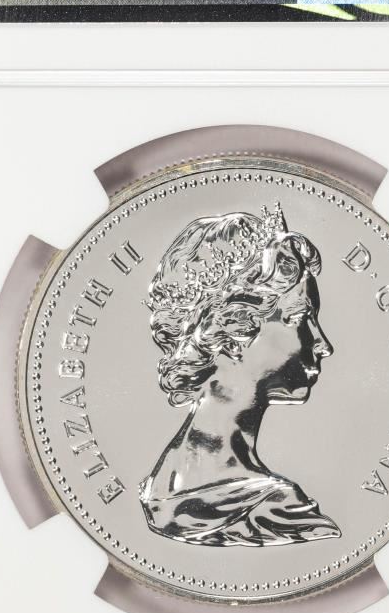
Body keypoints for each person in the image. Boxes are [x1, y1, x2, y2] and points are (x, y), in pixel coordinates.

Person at [139, 203, 340, 547]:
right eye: (299, 318)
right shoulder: (278, 508)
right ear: (235, 327)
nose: (323, 345)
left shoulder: (158, 488)